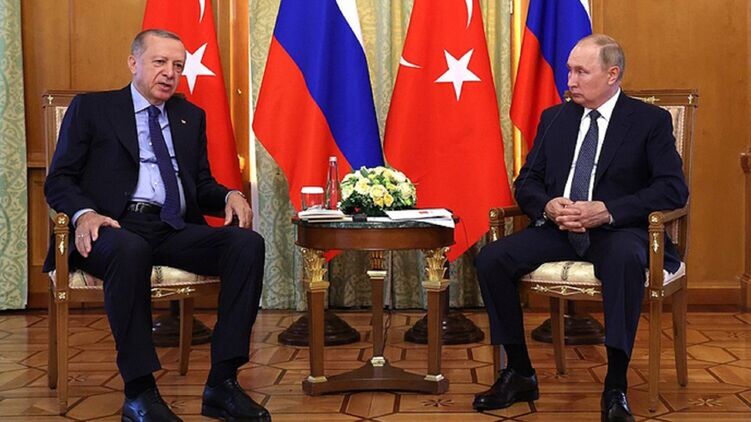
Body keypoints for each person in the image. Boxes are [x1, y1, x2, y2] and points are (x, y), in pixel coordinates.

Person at [44, 29, 270, 422]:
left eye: (178, 66)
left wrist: (230, 195)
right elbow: (59, 179)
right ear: (134, 63)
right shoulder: (93, 109)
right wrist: (85, 214)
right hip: (111, 227)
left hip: (171, 226)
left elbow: (200, 185)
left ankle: (222, 383)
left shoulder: (189, 117)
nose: (170, 73)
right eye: (160, 62)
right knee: (131, 249)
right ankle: (140, 393)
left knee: (246, 245)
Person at [472, 34, 688, 422]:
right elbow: (527, 182)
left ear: (612, 74)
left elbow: (672, 189)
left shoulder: (648, 121)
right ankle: (519, 372)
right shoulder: (555, 118)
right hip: (559, 229)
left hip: (617, 231)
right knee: (491, 258)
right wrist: (547, 205)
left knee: (623, 260)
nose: (569, 80)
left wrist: (608, 211)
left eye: (581, 72)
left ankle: (615, 386)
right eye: (569, 70)